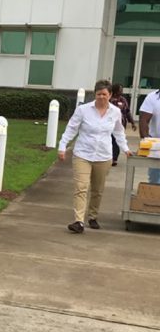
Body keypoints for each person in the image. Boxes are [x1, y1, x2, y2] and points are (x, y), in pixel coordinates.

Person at [58, 80, 132, 234]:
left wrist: (125, 148)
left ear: (110, 95)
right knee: (81, 187)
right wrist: (62, 146)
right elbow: (71, 128)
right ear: (95, 94)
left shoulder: (115, 112)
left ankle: (92, 216)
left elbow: (118, 132)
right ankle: (79, 221)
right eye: (99, 94)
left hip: (103, 156)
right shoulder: (83, 110)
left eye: (104, 94)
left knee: (97, 190)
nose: (101, 97)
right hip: (83, 154)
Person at [108, 83, 135, 166]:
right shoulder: (109, 100)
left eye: (122, 90)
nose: (122, 92)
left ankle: (114, 159)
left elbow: (127, 111)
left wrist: (132, 122)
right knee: (110, 141)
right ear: (115, 91)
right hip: (109, 124)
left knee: (116, 141)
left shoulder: (123, 100)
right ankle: (109, 157)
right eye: (120, 90)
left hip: (120, 124)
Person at [138, 88, 160, 184]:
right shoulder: (153, 97)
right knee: (155, 181)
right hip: (157, 147)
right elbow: (143, 120)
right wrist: (146, 142)